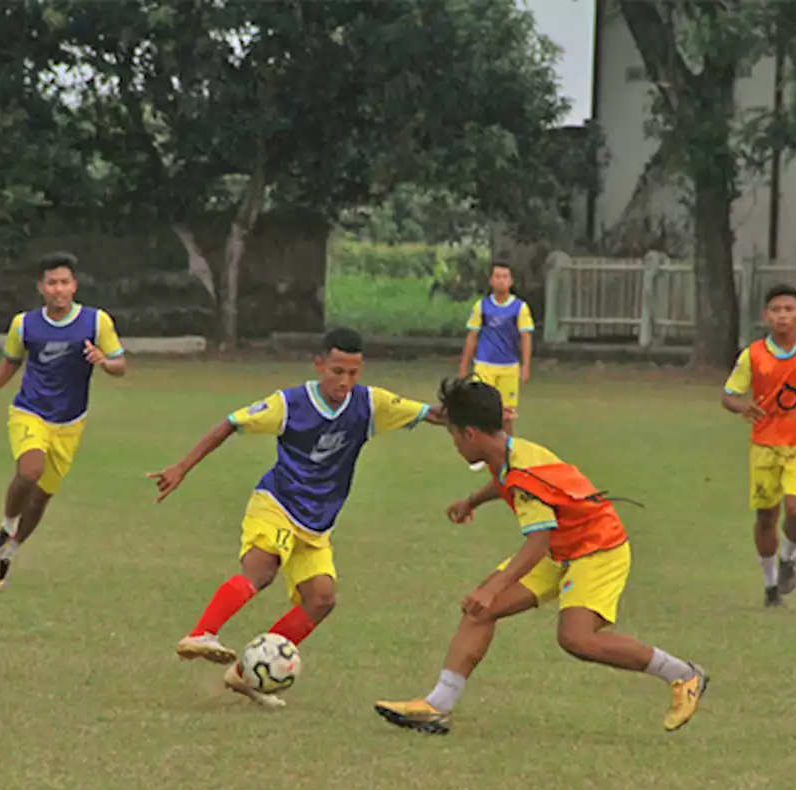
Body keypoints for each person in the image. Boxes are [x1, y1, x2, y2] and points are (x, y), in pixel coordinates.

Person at [374, 376, 707, 735]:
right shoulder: (507, 451)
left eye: (454, 435)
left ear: (470, 434)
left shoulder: (523, 473)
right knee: (479, 611)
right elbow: (503, 482)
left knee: (577, 639)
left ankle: (683, 675)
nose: (454, 444)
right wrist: (472, 501)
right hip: (562, 544)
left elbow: (537, 542)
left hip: (597, 547)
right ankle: (437, 707)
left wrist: (493, 588)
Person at [148, 327, 442, 709]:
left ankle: (245, 673)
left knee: (321, 599)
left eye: (353, 373)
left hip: (317, 525)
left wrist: (476, 414)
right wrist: (182, 467)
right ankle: (202, 633)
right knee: (261, 572)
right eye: (337, 371)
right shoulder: (289, 404)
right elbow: (230, 423)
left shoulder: (371, 404)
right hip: (277, 504)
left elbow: (430, 413)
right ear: (319, 364)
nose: (345, 381)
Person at [0, 252, 127, 589]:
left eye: (64, 282)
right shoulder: (24, 324)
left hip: (70, 422)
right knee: (29, 471)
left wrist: (102, 361)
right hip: (30, 411)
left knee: (41, 497)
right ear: (41, 287)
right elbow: (11, 363)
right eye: (52, 283)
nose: (59, 289)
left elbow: (121, 365)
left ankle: (11, 549)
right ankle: (7, 524)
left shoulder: (96, 321)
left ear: (75, 286)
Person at [721, 284, 796, 607]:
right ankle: (771, 587)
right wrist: (742, 406)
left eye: (789, 309)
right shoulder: (753, 355)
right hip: (765, 445)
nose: (782, 315)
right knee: (765, 517)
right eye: (776, 310)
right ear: (766, 316)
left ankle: (789, 557)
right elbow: (728, 395)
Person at [458, 261, 534, 470]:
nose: (501, 280)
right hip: (484, 365)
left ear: (511, 281)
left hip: (509, 366)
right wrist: (464, 364)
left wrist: (525, 366)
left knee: (507, 414)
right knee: (478, 409)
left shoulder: (520, 307)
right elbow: (472, 335)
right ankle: (480, 453)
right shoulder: (482, 306)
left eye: (505, 277)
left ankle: (507, 453)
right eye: (497, 276)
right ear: (491, 280)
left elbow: (525, 337)